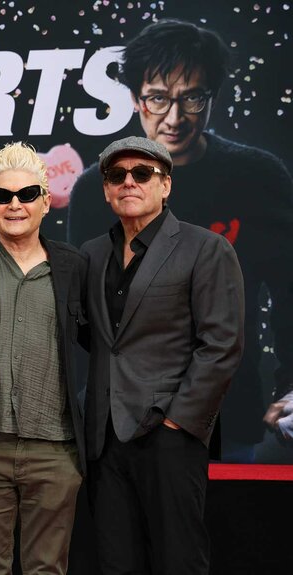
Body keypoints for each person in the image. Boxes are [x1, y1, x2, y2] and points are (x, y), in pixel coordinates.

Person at [67, 18, 293, 462]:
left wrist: (291, 383)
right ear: (135, 98)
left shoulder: (258, 177)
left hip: (231, 409)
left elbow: (289, 291)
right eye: (157, 98)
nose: (174, 118)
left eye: (192, 98)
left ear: (212, 97)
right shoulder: (100, 186)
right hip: (125, 412)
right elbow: (82, 310)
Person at [81, 136, 244, 574]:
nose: (129, 182)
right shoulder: (91, 254)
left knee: (178, 559)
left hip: (169, 435)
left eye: (143, 173)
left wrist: (178, 423)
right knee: (115, 561)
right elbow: (87, 335)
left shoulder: (205, 248)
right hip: (104, 437)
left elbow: (222, 344)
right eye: (117, 175)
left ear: (166, 184)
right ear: (105, 189)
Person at [0, 143, 87, 574]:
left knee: (48, 568)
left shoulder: (76, 266)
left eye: (27, 194)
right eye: (4, 196)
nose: (15, 204)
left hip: (57, 448)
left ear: (46, 201)